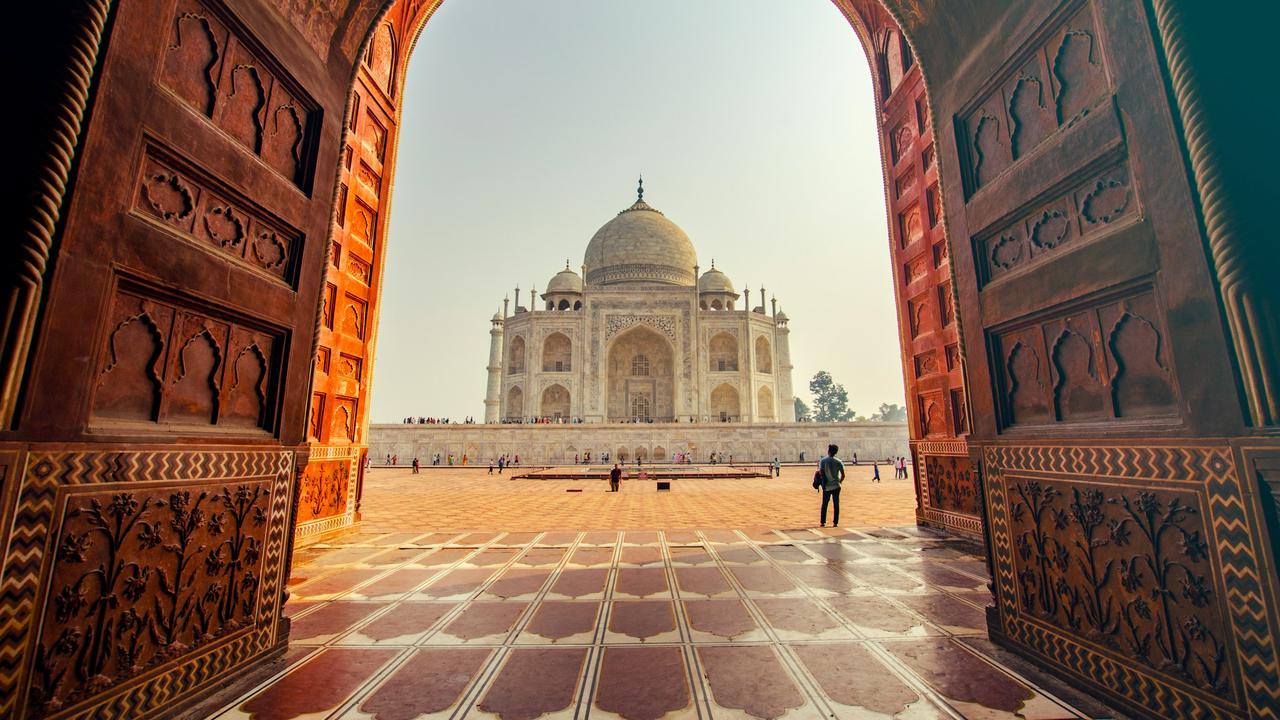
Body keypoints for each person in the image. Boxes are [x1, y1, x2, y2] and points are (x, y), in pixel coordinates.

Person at [818, 444, 845, 527]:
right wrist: (839, 482)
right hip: (836, 486)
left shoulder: (823, 461)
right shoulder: (838, 461)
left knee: (825, 504)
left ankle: (823, 522)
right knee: (836, 504)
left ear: (828, 451)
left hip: (827, 486)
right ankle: (835, 522)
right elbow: (843, 475)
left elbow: (821, 472)